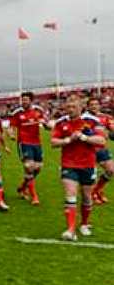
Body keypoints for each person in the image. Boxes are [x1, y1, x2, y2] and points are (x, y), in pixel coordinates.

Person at [50, 95, 106, 240]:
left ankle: (84, 224)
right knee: (70, 194)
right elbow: (53, 142)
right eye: (68, 107)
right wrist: (68, 140)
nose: (70, 109)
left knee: (87, 197)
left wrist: (84, 138)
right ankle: (70, 230)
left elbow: (101, 140)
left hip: (88, 164)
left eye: (74, 107)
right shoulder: (61, 123)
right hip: (69, 164)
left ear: (81, 107)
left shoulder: (92, 121)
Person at [8, 91, 47, 205]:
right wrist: (11, 134)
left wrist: (45, 123)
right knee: (29, 167)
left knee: (38, 168)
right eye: (22, 99)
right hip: (24, 143)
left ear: (31, 100)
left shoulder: (38, 111)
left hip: (37, 143)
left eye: (26, 99)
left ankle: (22, 187)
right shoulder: (17, 113)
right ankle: (34, 196)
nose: (24, 102)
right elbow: (11, 127)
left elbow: (46, 124)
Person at [88, 97, 114, 204]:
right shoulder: (85, 118)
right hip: (88, 150)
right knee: (91, 176)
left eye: (96, 104)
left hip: (102, 149)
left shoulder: (105, 117)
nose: (94, 106)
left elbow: (112, 128)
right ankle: (93, 194)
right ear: (88, 106)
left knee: (111, 170)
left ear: (99, 106)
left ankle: (97, 190)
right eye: (92, 104)